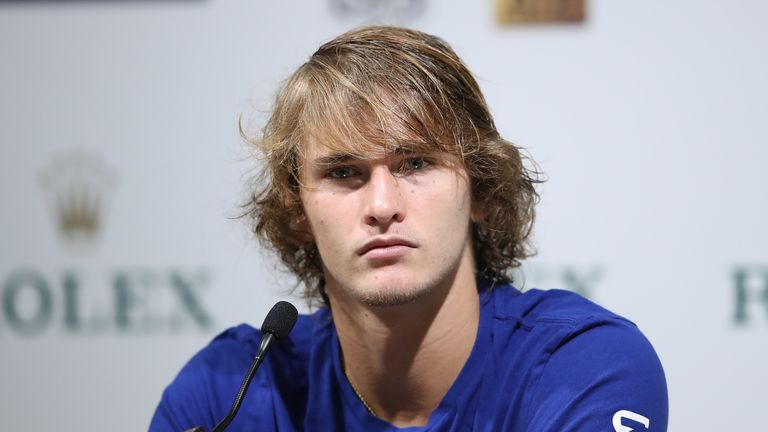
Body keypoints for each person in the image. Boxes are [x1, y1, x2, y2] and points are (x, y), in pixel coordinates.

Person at [150, 26, 668, 431]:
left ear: (481, 192)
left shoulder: (583, 365)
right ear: (297, 214)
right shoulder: (227, 392)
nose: (382, 205)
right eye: (342, 172)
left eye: (415, 164)